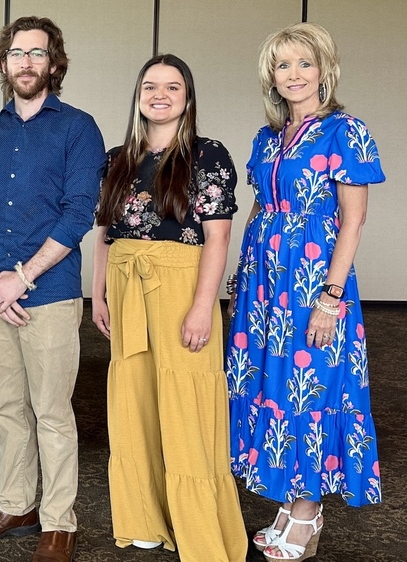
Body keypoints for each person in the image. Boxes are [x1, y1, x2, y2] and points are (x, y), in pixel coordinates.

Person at [226, 22, 384, 562]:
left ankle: (310, 512)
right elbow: (259, 207)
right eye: (282, 64)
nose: (293, 74)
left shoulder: (347, 130)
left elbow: (353, 221)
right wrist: (244, 274)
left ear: (324, 70)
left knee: (310, 386)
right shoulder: (266, 137)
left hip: (313, 279)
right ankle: (289, 503)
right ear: (271, 75)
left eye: (304, 63)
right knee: (274, 385)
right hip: (264, 282)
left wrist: (330, 297)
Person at [0, 16, 105, 562]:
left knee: (51, 410)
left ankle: (58, 519)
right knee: (7, 407)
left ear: (54, 64)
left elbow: (77, 213)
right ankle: (15, 503)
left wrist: (23, 276)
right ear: (3, 63)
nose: (26, 63)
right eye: (16, 53)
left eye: (37, 54)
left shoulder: (79, 128)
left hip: (50, 290)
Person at [91, 54, 247, 562]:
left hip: (182, 285)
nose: (160, 94)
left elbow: (218, 239)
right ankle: (143, 516)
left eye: (172, 87)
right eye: (150, 86)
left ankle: (198, 528)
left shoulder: (208, 154)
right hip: (124, 281)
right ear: (138, 94)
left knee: (187, 405)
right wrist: (100, 292)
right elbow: (104, 233)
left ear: (188, 97)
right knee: (133, 400)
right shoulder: (116, 157)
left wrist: (205, 306)